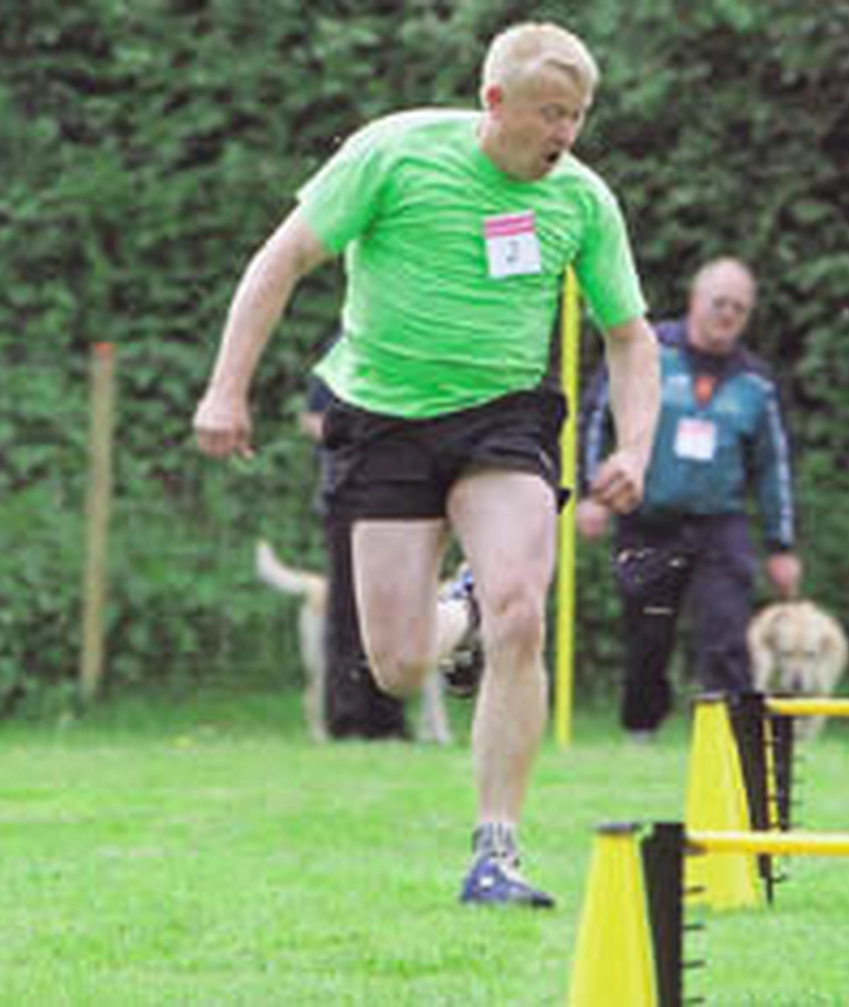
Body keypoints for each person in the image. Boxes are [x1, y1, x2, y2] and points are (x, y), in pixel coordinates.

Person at [192, 22, 659, 908]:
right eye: (550, 114)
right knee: (399, 664)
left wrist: (632, 447)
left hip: (504, 418)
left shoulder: (583, 199)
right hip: (383, 420)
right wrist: (227, 389)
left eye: (579, 116)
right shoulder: (394, 154)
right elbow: (282, 259)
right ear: (495, 103)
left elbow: (630, 337)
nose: (566, 134)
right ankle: (458, 613)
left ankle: (498, 851)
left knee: (521, 608)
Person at [576, 258, 801, 740]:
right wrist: (592, 491)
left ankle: (730, 739)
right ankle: (642, 731)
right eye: (719, 303)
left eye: (739, 309)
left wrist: (782, 546)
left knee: (726, 633)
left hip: (719, 523)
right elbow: (597, 414)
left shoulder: (755, 382)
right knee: (648, 635)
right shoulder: (651, 350)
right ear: (695, 300)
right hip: (647, 517)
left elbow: (773, 464)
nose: (727, 315)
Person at [299, 345, 409, 741]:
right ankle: (346, 718)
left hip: (398, 494)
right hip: (347, 493)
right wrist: (361, 429)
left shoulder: (406, 343)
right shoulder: (343, 349)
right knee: (346, 609)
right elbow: (312, 420)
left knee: (395, 606)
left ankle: (389, 721)